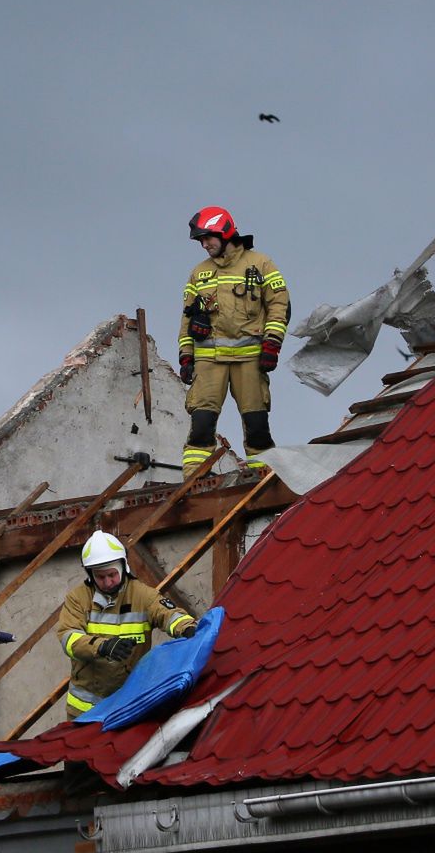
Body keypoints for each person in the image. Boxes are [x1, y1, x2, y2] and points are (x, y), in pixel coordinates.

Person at [177, 205, 291, 475]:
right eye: (201, 240)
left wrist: (272, 344)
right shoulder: (198, 272)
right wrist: (185, 355)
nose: (204, 245)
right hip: (208, 361)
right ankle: (194, 481)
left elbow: (279, 304)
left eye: (208, 238)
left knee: (257, 425)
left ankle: (262, 476)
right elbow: (186, 317)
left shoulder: (261, 263)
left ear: (224, 232)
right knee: (201, 424)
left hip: (250, 358)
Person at [55, 530, 197, 719]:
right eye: (100, 576)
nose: (107, 582)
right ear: (90, 574)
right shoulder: (78, 599)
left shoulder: (143, 595)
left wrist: (187, 628)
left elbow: (168, 614)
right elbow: (68, 638)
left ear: (124, 566)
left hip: (130, 704)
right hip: (85, 712)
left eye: (112, 574)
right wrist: (103, 647)